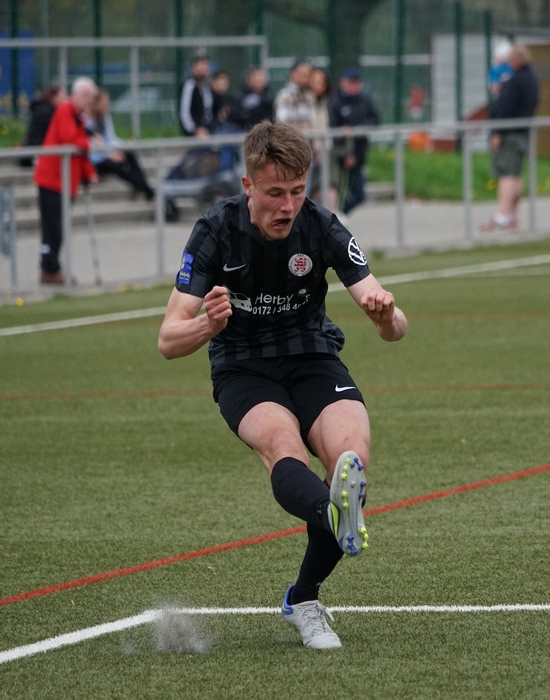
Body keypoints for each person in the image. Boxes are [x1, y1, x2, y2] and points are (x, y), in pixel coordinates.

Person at [157, 121, 407, 650]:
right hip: (243, 366)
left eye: (297, 190)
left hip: (312, 356)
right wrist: (208, 325)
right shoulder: (214, 231)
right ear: (248, 186)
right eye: (275, 193)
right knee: (282, 444)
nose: (288, 205)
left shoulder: (323, 226)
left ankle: (303, 597)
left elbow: (394, 326)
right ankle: (332, 517)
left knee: (351, 458)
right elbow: (168, 340)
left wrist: (385, 316)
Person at [33, 76, 99, 285]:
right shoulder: (65, 111)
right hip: (51, 180)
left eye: (91, 97)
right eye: (85, 95)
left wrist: (89, 172)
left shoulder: (80, 117)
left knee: (59, 228)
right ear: (75, 95)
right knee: (52, 228)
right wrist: (89, 142)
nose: (89, 100)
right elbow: (70, 140)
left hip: (65, 182)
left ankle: (51, 267)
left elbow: (79, 151)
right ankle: (49, 268)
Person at [480, 44, 539, 232]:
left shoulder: (516, 81)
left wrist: (498, 132)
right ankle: (512, 215)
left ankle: (502, 216)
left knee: (507, 175)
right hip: (522, 133)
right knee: (515, 174)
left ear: (516, 59)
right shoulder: (532, 79)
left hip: (510, 134)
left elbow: (505, 107)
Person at [328, 67, 380, 215]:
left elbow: (375, 119)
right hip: (340, 156)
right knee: (339, 191)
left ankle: (341, 217)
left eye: (356, 82)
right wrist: (346, 154)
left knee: (358, 195)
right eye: (351, 82)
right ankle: (336, 219)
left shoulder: (364, 100)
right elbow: (333, 129)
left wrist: (359, 129)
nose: (354, 85)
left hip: (358, 154)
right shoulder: (335, 101)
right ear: (343, 83)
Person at [86, 88, 155, 200]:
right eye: (103, 104)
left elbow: (111, 138)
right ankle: (146, 188)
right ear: (96, 104)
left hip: (106, 153)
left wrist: (123, 146)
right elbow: (91, 149)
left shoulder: (105, 118)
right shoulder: (88, 121)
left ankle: (142, 186)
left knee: (130, 154)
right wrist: (109, 155)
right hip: (96, 160)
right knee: (117, 167)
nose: (106, 107)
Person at [308, 68, 337, 209]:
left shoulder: (330, 103)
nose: (318, 85)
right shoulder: (305, 102)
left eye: (321, 82)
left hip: (326, 150)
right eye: (314, 81)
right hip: (309, 150)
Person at [19, 85, 65, 168]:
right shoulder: (46, 112)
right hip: (35, 155)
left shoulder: (43, 109)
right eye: (62, 97)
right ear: (53, 98)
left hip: (33, 153)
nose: (64, 101)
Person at [273, 59, 314, 133]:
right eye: (302, 73)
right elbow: (283, 125)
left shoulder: (310, 95)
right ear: (292, 74)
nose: (306, 77)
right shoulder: (285, 96)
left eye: (308, 74)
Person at [179, 52, 215, 137]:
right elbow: (184, 113)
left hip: (210, 129)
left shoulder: (208, 87)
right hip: (196, 132)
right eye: (199, 65)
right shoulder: (189, 86)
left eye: (205, 64)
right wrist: (194, 130)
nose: (202, 68)